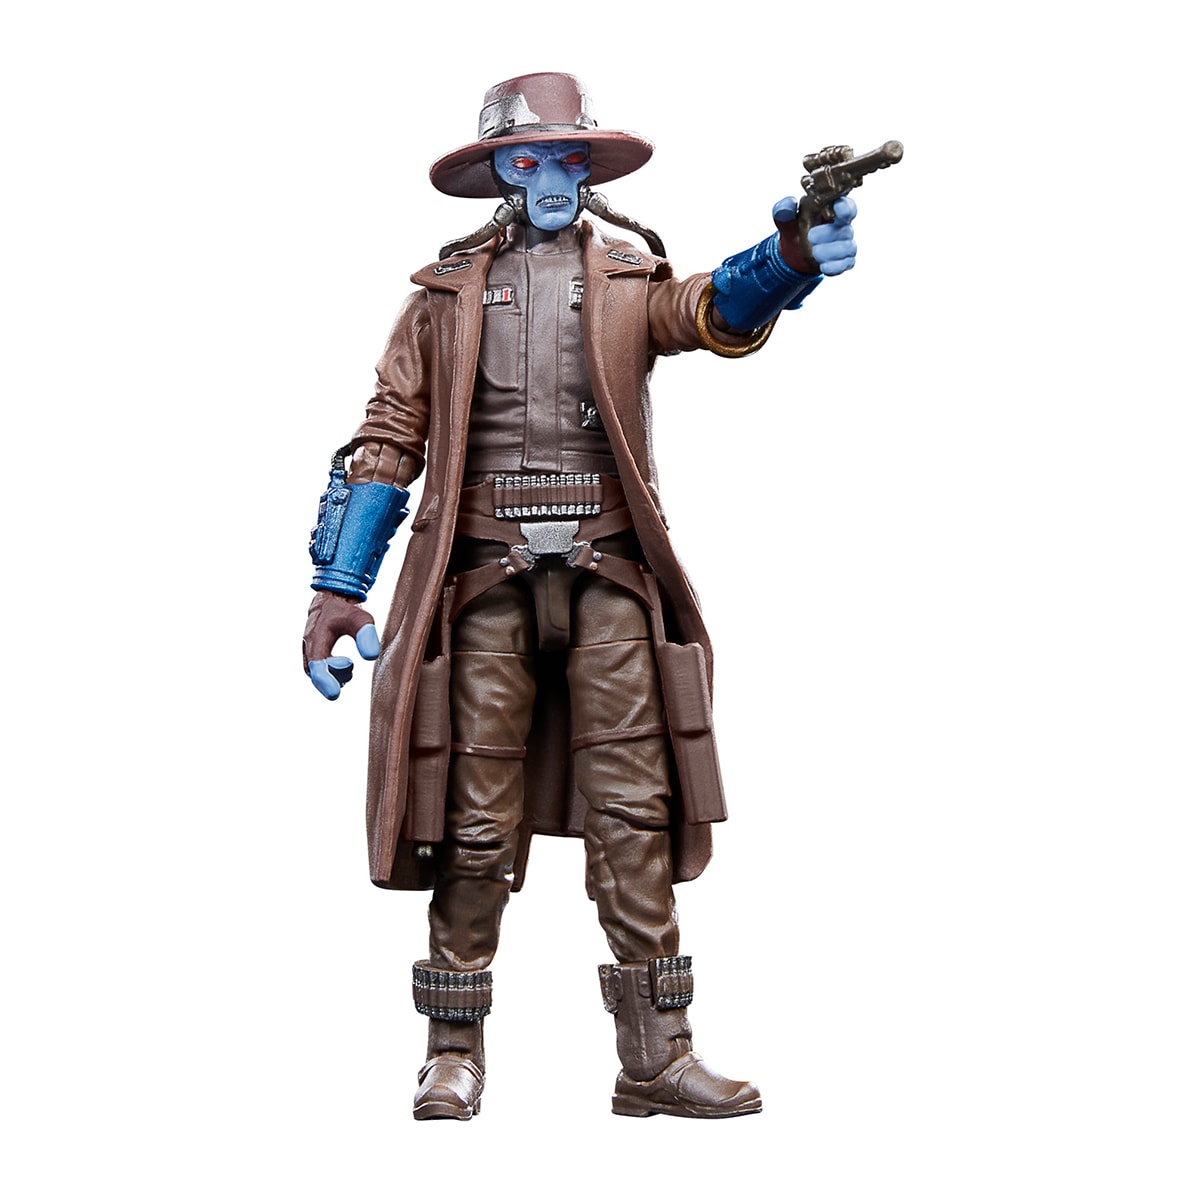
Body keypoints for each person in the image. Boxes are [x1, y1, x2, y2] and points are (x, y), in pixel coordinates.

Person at [302, 72, 859, 1121]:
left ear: (589, 169)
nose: (552, 176)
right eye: (530, 158)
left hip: (609, 577)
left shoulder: (627, 279)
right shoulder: (440, 300)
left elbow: (710, 307)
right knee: (470, 820)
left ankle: (656, 1055)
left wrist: (789, 257)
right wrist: (339, 587)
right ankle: (452, 1051)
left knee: (633, 813)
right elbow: (388, 437)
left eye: (568, 157)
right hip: (483, 584)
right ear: (501, 174)